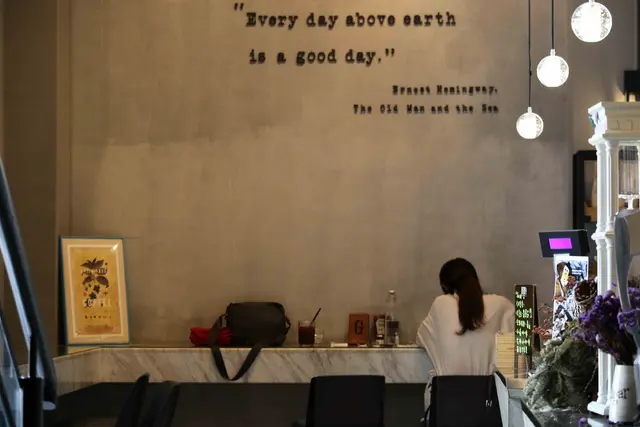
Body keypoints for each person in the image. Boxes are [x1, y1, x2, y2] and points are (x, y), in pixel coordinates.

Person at [416, 258, 515, 414]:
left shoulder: (441, 304)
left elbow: (421, 338)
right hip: (490, 405)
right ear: (476, 280)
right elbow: (516, 349)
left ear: (444, 286)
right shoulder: (502, 304)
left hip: (447, 407)